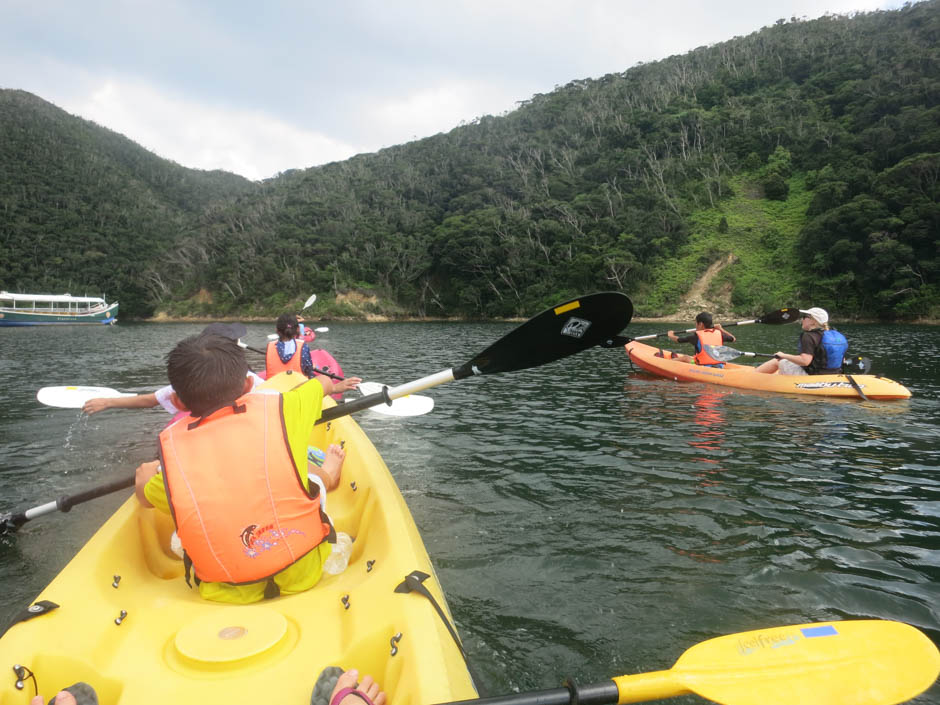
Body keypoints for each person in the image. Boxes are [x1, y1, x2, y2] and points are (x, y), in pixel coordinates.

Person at [134, 333, 361, 603]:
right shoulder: (284, 407)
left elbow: (145, 498)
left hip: (225, 590)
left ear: (178, 402)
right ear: (247, 386)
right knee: (304, 474)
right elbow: (323, 384)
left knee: (180, 530)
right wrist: (326, 383)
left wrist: (145, 475)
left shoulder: (172, 455)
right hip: (304, 573)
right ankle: (327, 475)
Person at [82, 323, 261, 416]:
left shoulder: (194, 377)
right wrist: (107, 402)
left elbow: (150, 400)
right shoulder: (257, 385)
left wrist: (108, 402)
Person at [755, 307, 848, 375]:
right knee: (787, 363)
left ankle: (752, 376)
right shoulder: (836, 335)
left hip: (813, 376)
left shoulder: (808, 336)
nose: (801, 320)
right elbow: (842, 359)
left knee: (778, 361)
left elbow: (805, 361)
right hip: (835, 374)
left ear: (813, 321)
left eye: (804, 317)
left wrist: (783, 355)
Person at [666, 312, 736, 367]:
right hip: (719, 365)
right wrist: (721, 329)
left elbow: (678, 340)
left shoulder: (696, 337)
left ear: (701, 324)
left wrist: (671, 335)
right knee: (694, 357)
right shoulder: (719, 334)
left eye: (696, 323)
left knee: (686, 358)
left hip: (703, 366)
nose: (695, 325)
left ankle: (668, 362)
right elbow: (733, 338)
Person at [267, 313, 319, 378]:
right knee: (325, 379)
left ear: (277, 330)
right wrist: (312, 367)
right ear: (298, 329)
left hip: (274, 386)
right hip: (298, 386)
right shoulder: (303, 346)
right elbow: (308, 371)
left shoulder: (270, 346)